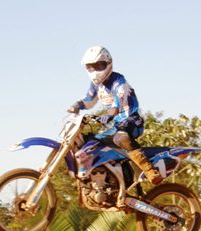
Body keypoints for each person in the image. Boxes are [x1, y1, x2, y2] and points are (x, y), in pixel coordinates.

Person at [68, 46, 163, 185]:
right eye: (91, 67)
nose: (95, 71)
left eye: (99, 65)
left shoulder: (119, 82)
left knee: (122, 137)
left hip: (131, 120)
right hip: (116, 124)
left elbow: (116, 107)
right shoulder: (96, 85)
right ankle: (109, 176)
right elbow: (89, 101)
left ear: (108, 63)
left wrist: (108, 115)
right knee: (90, 143)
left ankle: (150, 171)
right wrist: (76, 106)